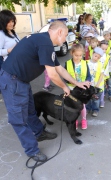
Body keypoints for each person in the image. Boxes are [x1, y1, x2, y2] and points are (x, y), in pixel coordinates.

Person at [0, 21, 90, 162]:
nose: (66, 39)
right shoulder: (45, 43)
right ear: (59, 32)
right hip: (12, 81)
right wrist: (65, 88)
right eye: (66, 35)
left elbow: (59, 68)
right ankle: (32, 150)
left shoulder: (43, 40)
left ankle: (39, 132)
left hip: (21, 81)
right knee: (19, 119)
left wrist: (76, 83)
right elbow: (53, 75)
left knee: (30, 110)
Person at [64, 44, 91, 129]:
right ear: (72, 53)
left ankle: (83, 120)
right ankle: (74, 120)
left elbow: (89, 76)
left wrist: (87, 81)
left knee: (82, 106)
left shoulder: (85, 63)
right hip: (71, 89)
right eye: (76, 55)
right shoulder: (67, 64)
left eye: (80, 55)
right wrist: (73, 83)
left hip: (82, 89)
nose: (78, 57)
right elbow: (65, 77)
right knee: (72, 105)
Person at [86, 47, 104, 117]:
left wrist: (97, 85)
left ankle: (95, 110)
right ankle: (88, 108)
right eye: (95, 56)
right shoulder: (86, 63)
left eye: (98, 57)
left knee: (96, 99)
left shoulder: (100, 64)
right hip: (88, 85)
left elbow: (102, 75)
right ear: (92, 54)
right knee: (88, 98)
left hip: (97, 85)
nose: (96, 58)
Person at [99, 40, 110, 107]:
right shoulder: (96, 54)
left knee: (102, 89)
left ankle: (102, 101)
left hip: (103, 75)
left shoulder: (107, 57)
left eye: (105, 49)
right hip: (95, 74)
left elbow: (107, 66)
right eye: (102, 49)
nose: (104, 50)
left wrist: (104, 75)